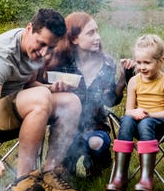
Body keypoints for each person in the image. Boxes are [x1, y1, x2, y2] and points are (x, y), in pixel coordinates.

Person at [0, 8, 80, 182]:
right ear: (29, 29)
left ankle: (51, 174)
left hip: (15, 102)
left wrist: (52, 88)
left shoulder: (33, 50)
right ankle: (24, 180)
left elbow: (30, 85)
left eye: (51, 48)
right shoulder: (0, 56)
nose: (45, 53)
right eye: (42, 44)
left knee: (71, 102)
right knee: (40, 99)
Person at [40, 11, 134, 179]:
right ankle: (66, 167)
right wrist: (53, 88)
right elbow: (40, 88)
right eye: (91, 33)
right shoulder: (60, 63)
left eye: (97, 31)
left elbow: (111, 100)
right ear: (74, 38)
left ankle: (97, 163)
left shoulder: (107, 64)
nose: (97, 37)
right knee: (64, 173)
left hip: (96, 127)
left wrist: (122, 78)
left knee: (95, 142)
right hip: (66, 129)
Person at [107, 34, 164, 191]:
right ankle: (120, 176)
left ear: (160, 61)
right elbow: (129, 110)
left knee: (145, 122)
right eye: (138, 62)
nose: (142, 67)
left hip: (158, 121)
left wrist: (147, 113)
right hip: (137, 119)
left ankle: (146, 178)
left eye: (147, 62)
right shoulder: (134, 81)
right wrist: (136, 112)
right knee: (126, 120)